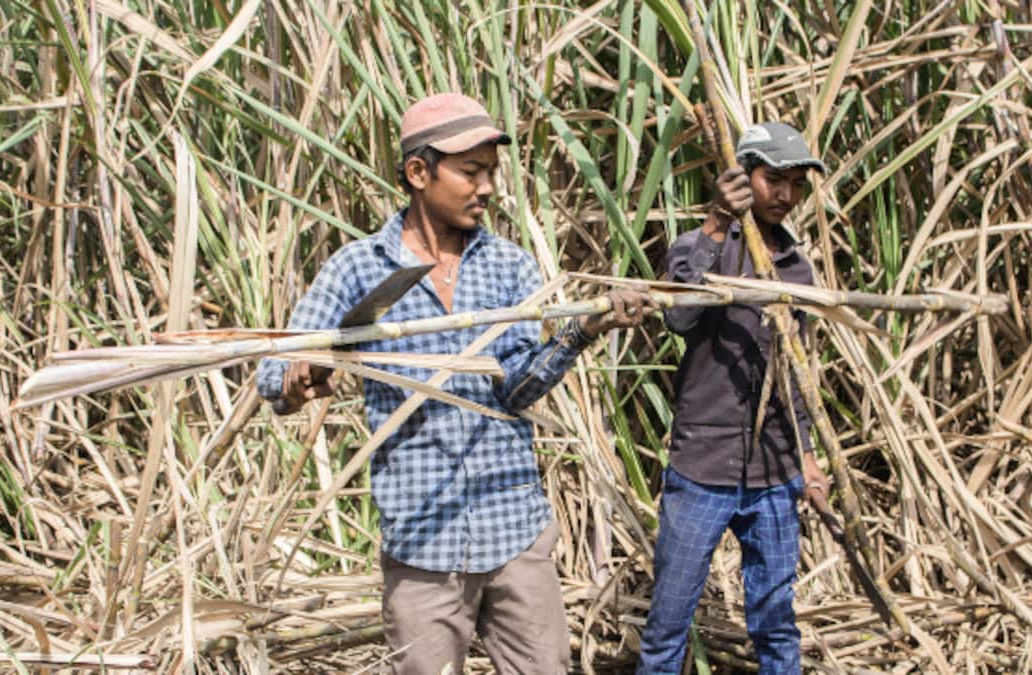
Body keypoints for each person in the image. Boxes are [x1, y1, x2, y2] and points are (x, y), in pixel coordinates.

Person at [257, 92, 656, 674]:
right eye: (471, 172)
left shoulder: (510, 265)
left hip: (514, 531)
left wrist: (580, 332)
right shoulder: (358, 268)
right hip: (422, 545)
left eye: (491, 173)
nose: (488, 188)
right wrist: (299, 377)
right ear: (419, 172)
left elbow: (515, 390)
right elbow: (274, 373)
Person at [636, 122, 832, 674]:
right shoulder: (700, 249)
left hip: (774, 470)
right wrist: (717, 223)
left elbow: (791, 372)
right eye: (775, 180)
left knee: (777, 627)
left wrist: (808, 459)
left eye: (796, 184)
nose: (787, 196)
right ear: (741, 175)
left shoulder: (795, 266)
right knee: (668, 625)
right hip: (701, 470)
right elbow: (679, 316)